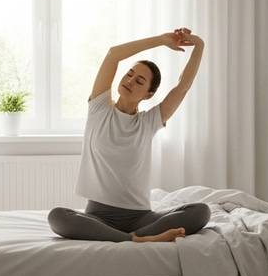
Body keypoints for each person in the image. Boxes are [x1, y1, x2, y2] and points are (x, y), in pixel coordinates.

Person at [48, 28, 210, 243]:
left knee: (200, 211)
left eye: (140, 81)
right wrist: (161, 40)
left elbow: (182, 87)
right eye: (130, 74)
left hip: (141, 218)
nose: (130, 81)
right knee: (58, 216)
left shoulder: (148, 122)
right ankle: (137, 240)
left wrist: (199, 45)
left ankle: (131, 236)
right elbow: (113, 55)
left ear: (148, 95)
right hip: (98, 217)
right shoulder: (99, 108)